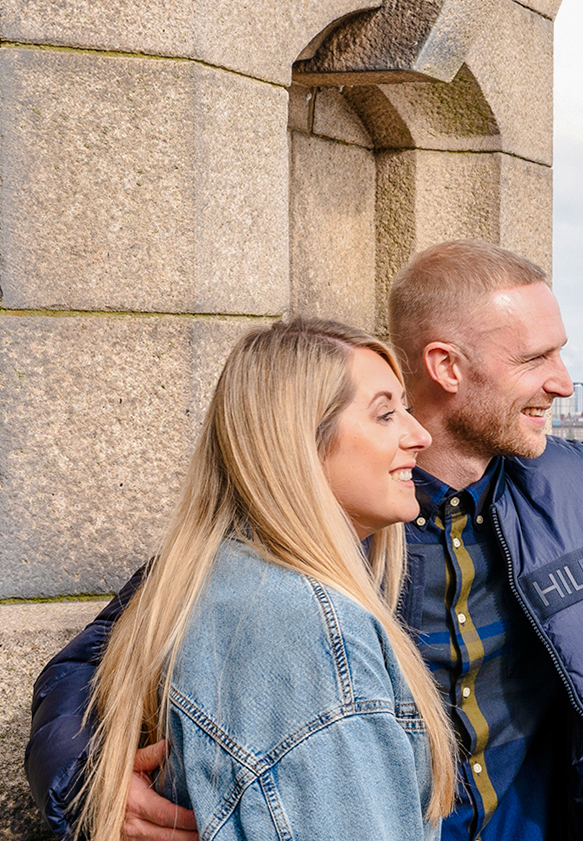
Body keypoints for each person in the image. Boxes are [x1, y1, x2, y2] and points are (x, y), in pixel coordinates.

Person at [28, 241, 583, 841]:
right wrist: (89, 785)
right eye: (537, 358)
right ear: (447, 367)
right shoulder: (300, 536)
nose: (564, 381)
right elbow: (91, 663)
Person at [74, 319, 458, 840]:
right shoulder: (308, 630)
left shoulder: (218, 580)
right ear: (298, 442)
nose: (420, 436)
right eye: (386, 414)